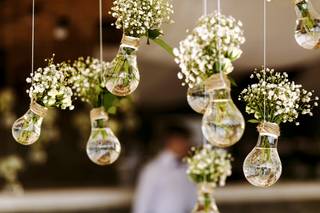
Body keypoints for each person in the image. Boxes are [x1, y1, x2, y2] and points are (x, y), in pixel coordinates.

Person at [132, 125, 197, 213]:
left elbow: (192, 200)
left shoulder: (187, 167)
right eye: (184, 141)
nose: (187, 145)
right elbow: (142, 205)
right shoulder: (153, 169)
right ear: (171, 141)